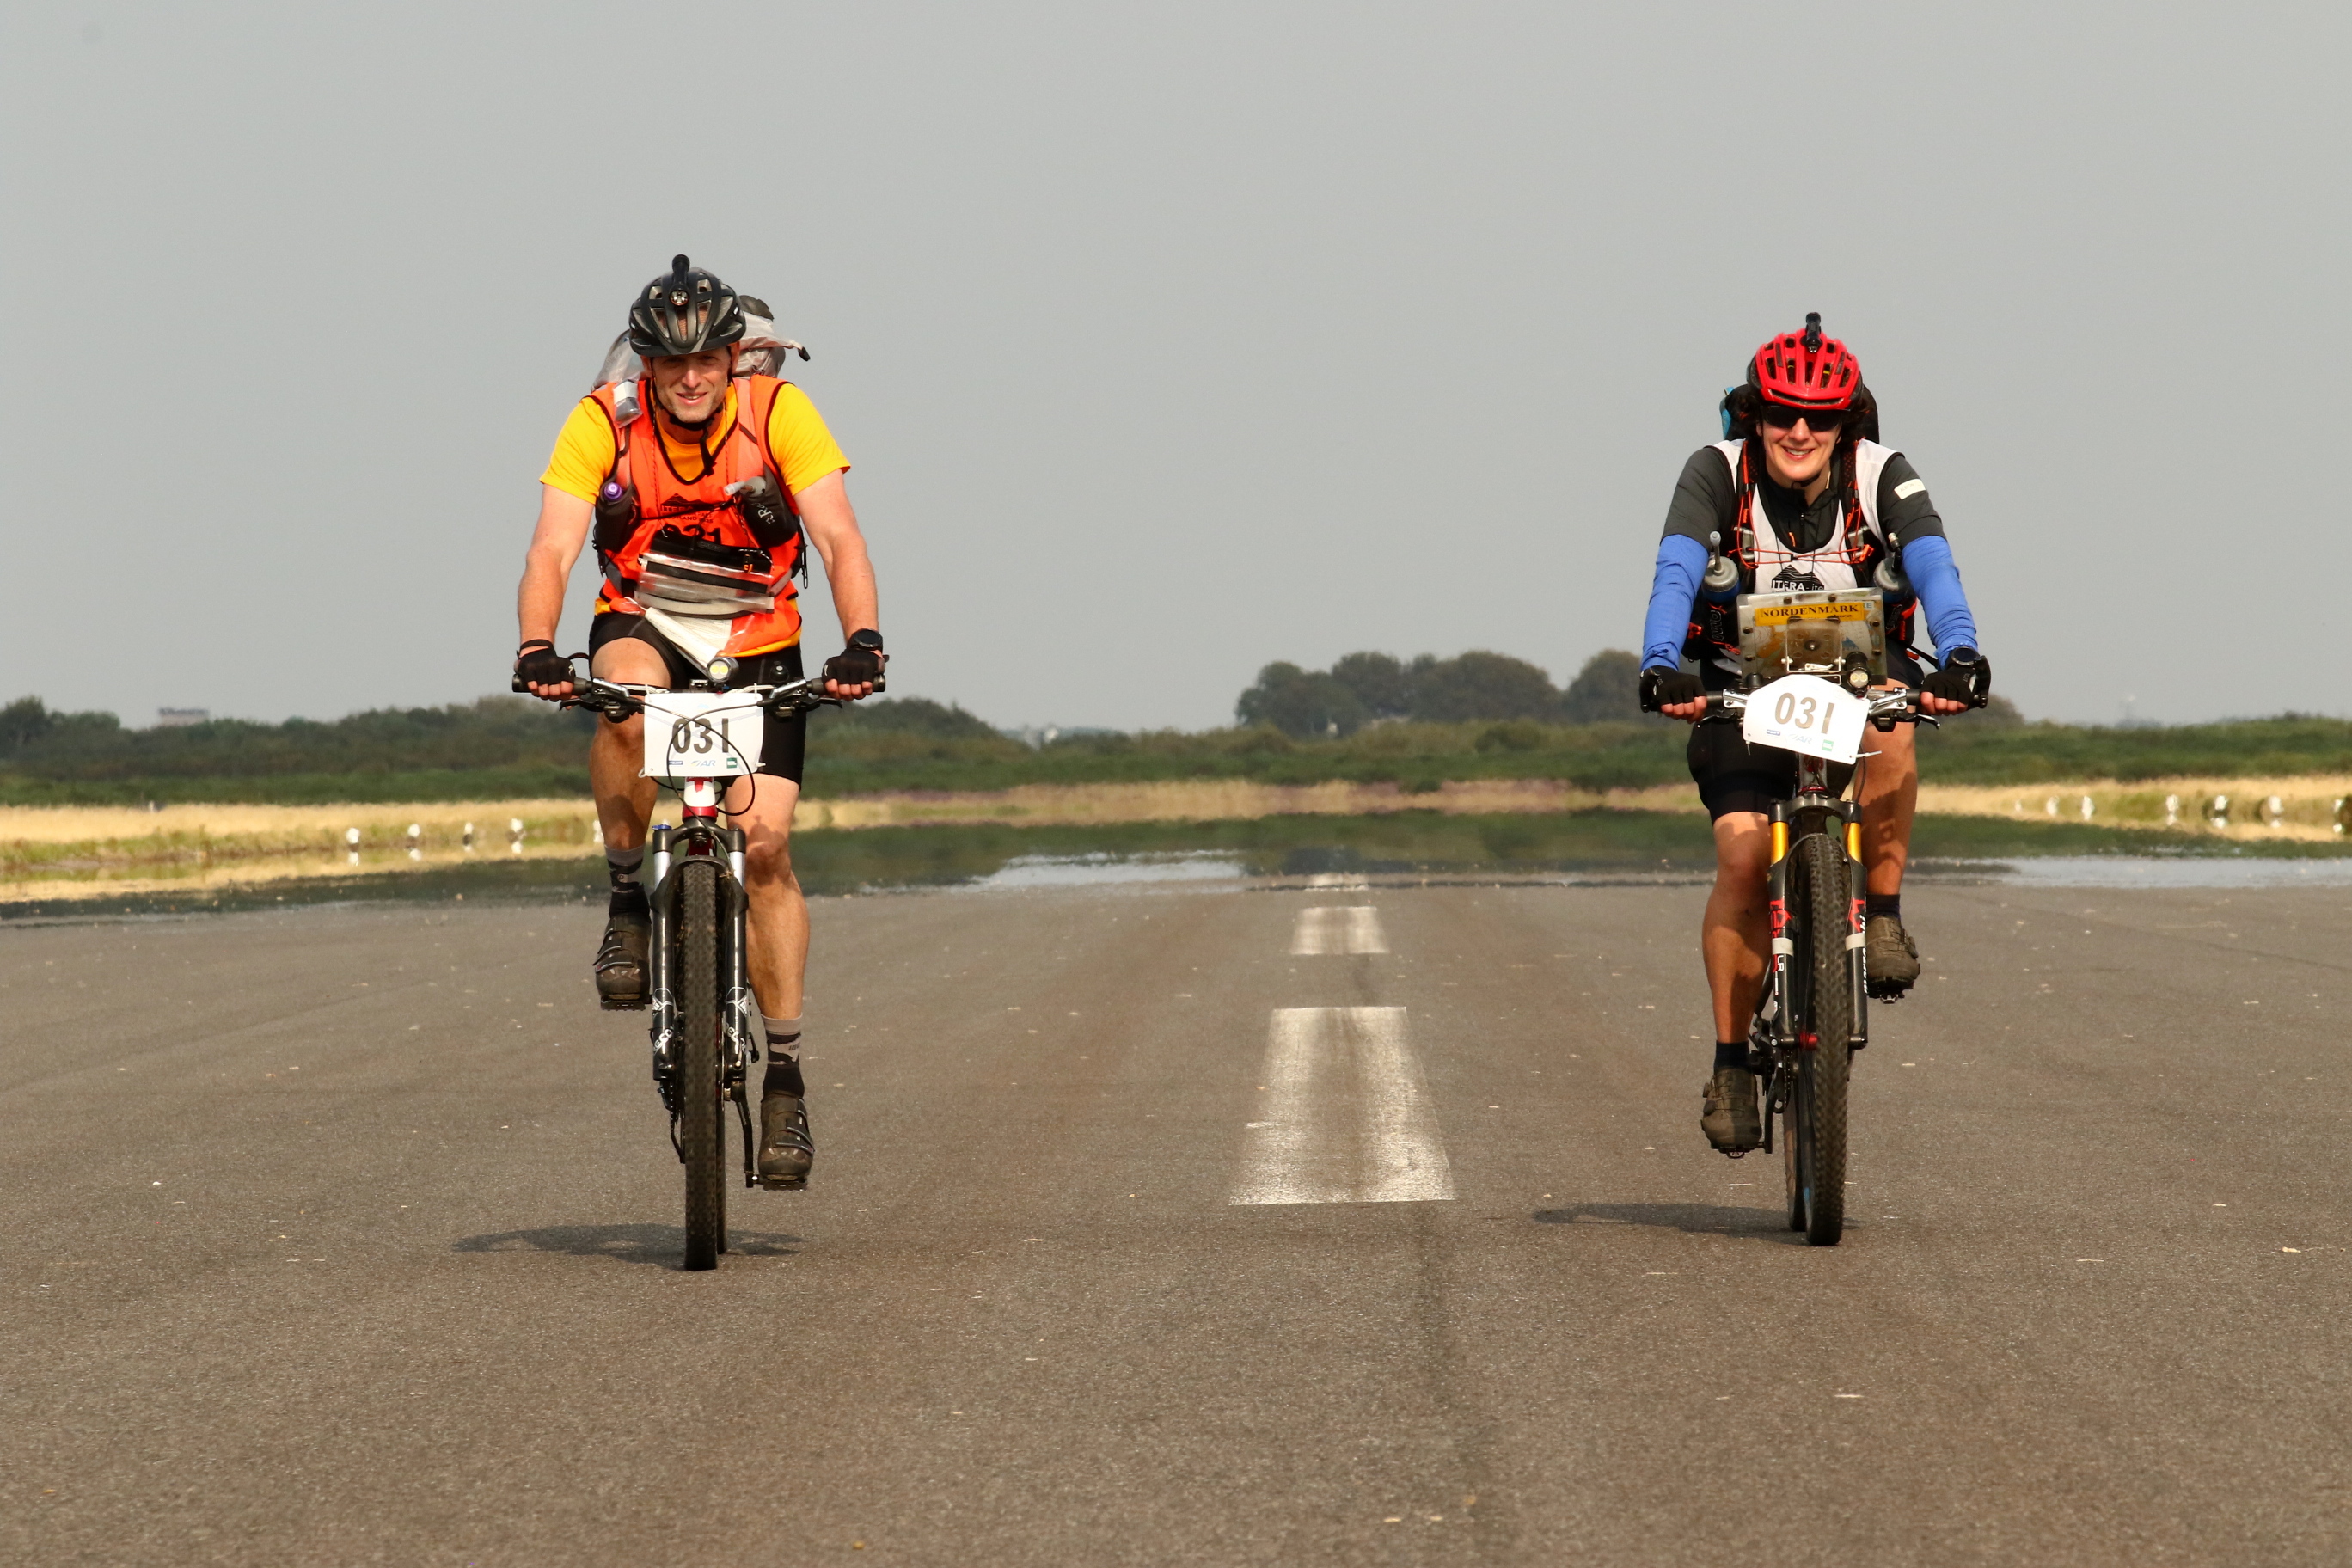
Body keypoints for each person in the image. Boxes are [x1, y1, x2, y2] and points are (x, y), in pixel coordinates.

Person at [512, 255, 885, 1189]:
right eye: (668, 364)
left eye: (706, 361)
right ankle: (628, 898)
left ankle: (787, 1079)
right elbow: (555, 545)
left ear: (732, 358)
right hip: (645, 617)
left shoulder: (777, 415)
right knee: (624, 711)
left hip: (762, 633)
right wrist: (535, 645)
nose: (689, 379)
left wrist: (864, 642)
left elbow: (838, 535)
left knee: (765, 850)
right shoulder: (604, 420)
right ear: (644, 364)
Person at [1636, 315, 1989, 1153]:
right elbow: (1677, 569)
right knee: (1742, 856)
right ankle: (1731, 1062)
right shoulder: (1715, 475)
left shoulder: (1881, 477)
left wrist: (1963, 653)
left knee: (1894, 730)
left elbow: (1936, 565)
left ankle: (1888, 916)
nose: (1800, 431)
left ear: (1848, 421)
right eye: (1782, 414)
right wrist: (1661, 663)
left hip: (1857, 686)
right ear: (1755, 416)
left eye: (1820, 417)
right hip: (1737, 692)